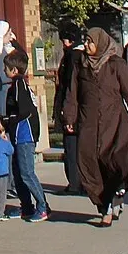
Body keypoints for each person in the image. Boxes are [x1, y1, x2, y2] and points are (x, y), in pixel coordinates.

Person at [63, 24, 128, 225]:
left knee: (116, 163)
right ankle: (104, 207)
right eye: (85, 41)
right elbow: (73, 93)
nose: (86, 45)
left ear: (101, 43)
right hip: (88, 124)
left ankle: (114, 201)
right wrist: (69, 118)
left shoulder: (116, 64)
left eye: (90, 41)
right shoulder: (81, 64)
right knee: (91, 165)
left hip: (115, 124)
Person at [3, 49, 49, 222]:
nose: (4, 70)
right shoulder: (15, 85)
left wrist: (6, 120)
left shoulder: (19, 85)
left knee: (27, 173)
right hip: (17, 135)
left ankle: (43, 206)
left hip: (25, 135)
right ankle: (27, 206)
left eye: (6, 67)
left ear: (14, 70)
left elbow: (25, 111)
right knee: (17, 172)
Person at [52, 20, 85, 194]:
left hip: (72, 107)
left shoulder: (71, 57)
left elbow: (69, 86)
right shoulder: (83, 54)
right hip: (83, 108)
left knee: (71, 148)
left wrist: (65, 109)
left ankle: (74, 183)